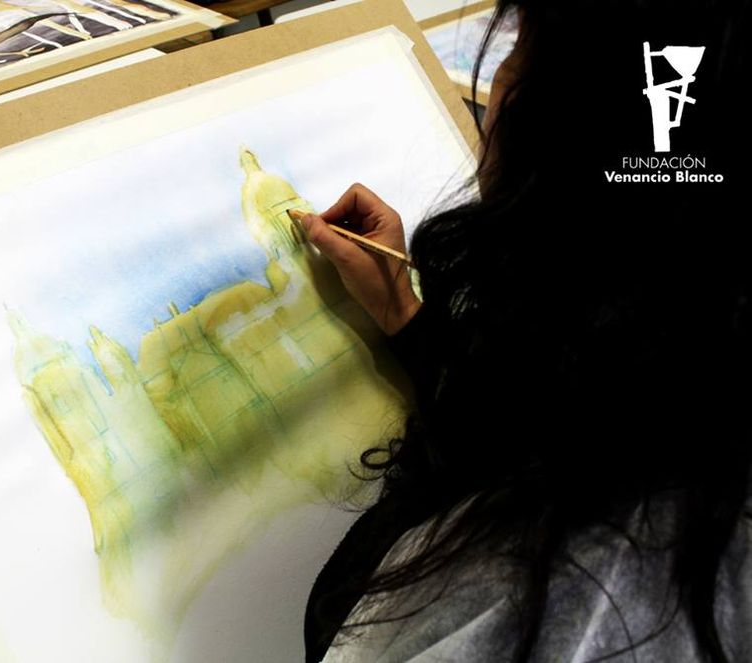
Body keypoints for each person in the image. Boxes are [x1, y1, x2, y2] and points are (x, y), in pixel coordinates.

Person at [298, 1, 751, 661]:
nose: (496, 90)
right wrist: (406, 315)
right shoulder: (676, 360)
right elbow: (540, 418)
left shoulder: (559, 592)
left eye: (518, 46)